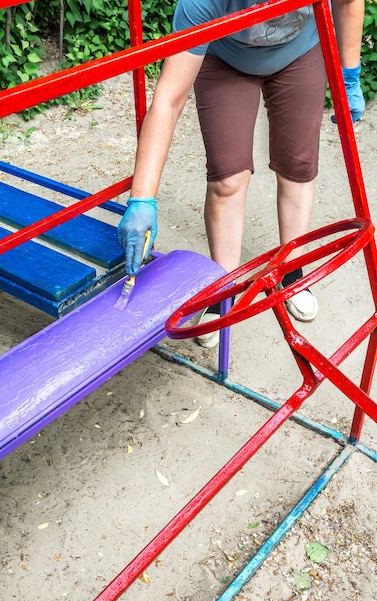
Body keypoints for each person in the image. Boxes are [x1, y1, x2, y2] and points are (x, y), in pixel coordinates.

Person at [118, 0, 365, 347]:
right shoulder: (201, 3)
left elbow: (348, 0)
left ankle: (291, 272)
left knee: (298, 167)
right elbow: (168, 99)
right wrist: (142, 196)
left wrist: (348, 73)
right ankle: (224, 289)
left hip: (300, 51)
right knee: (227, 179)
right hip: (226, 59)